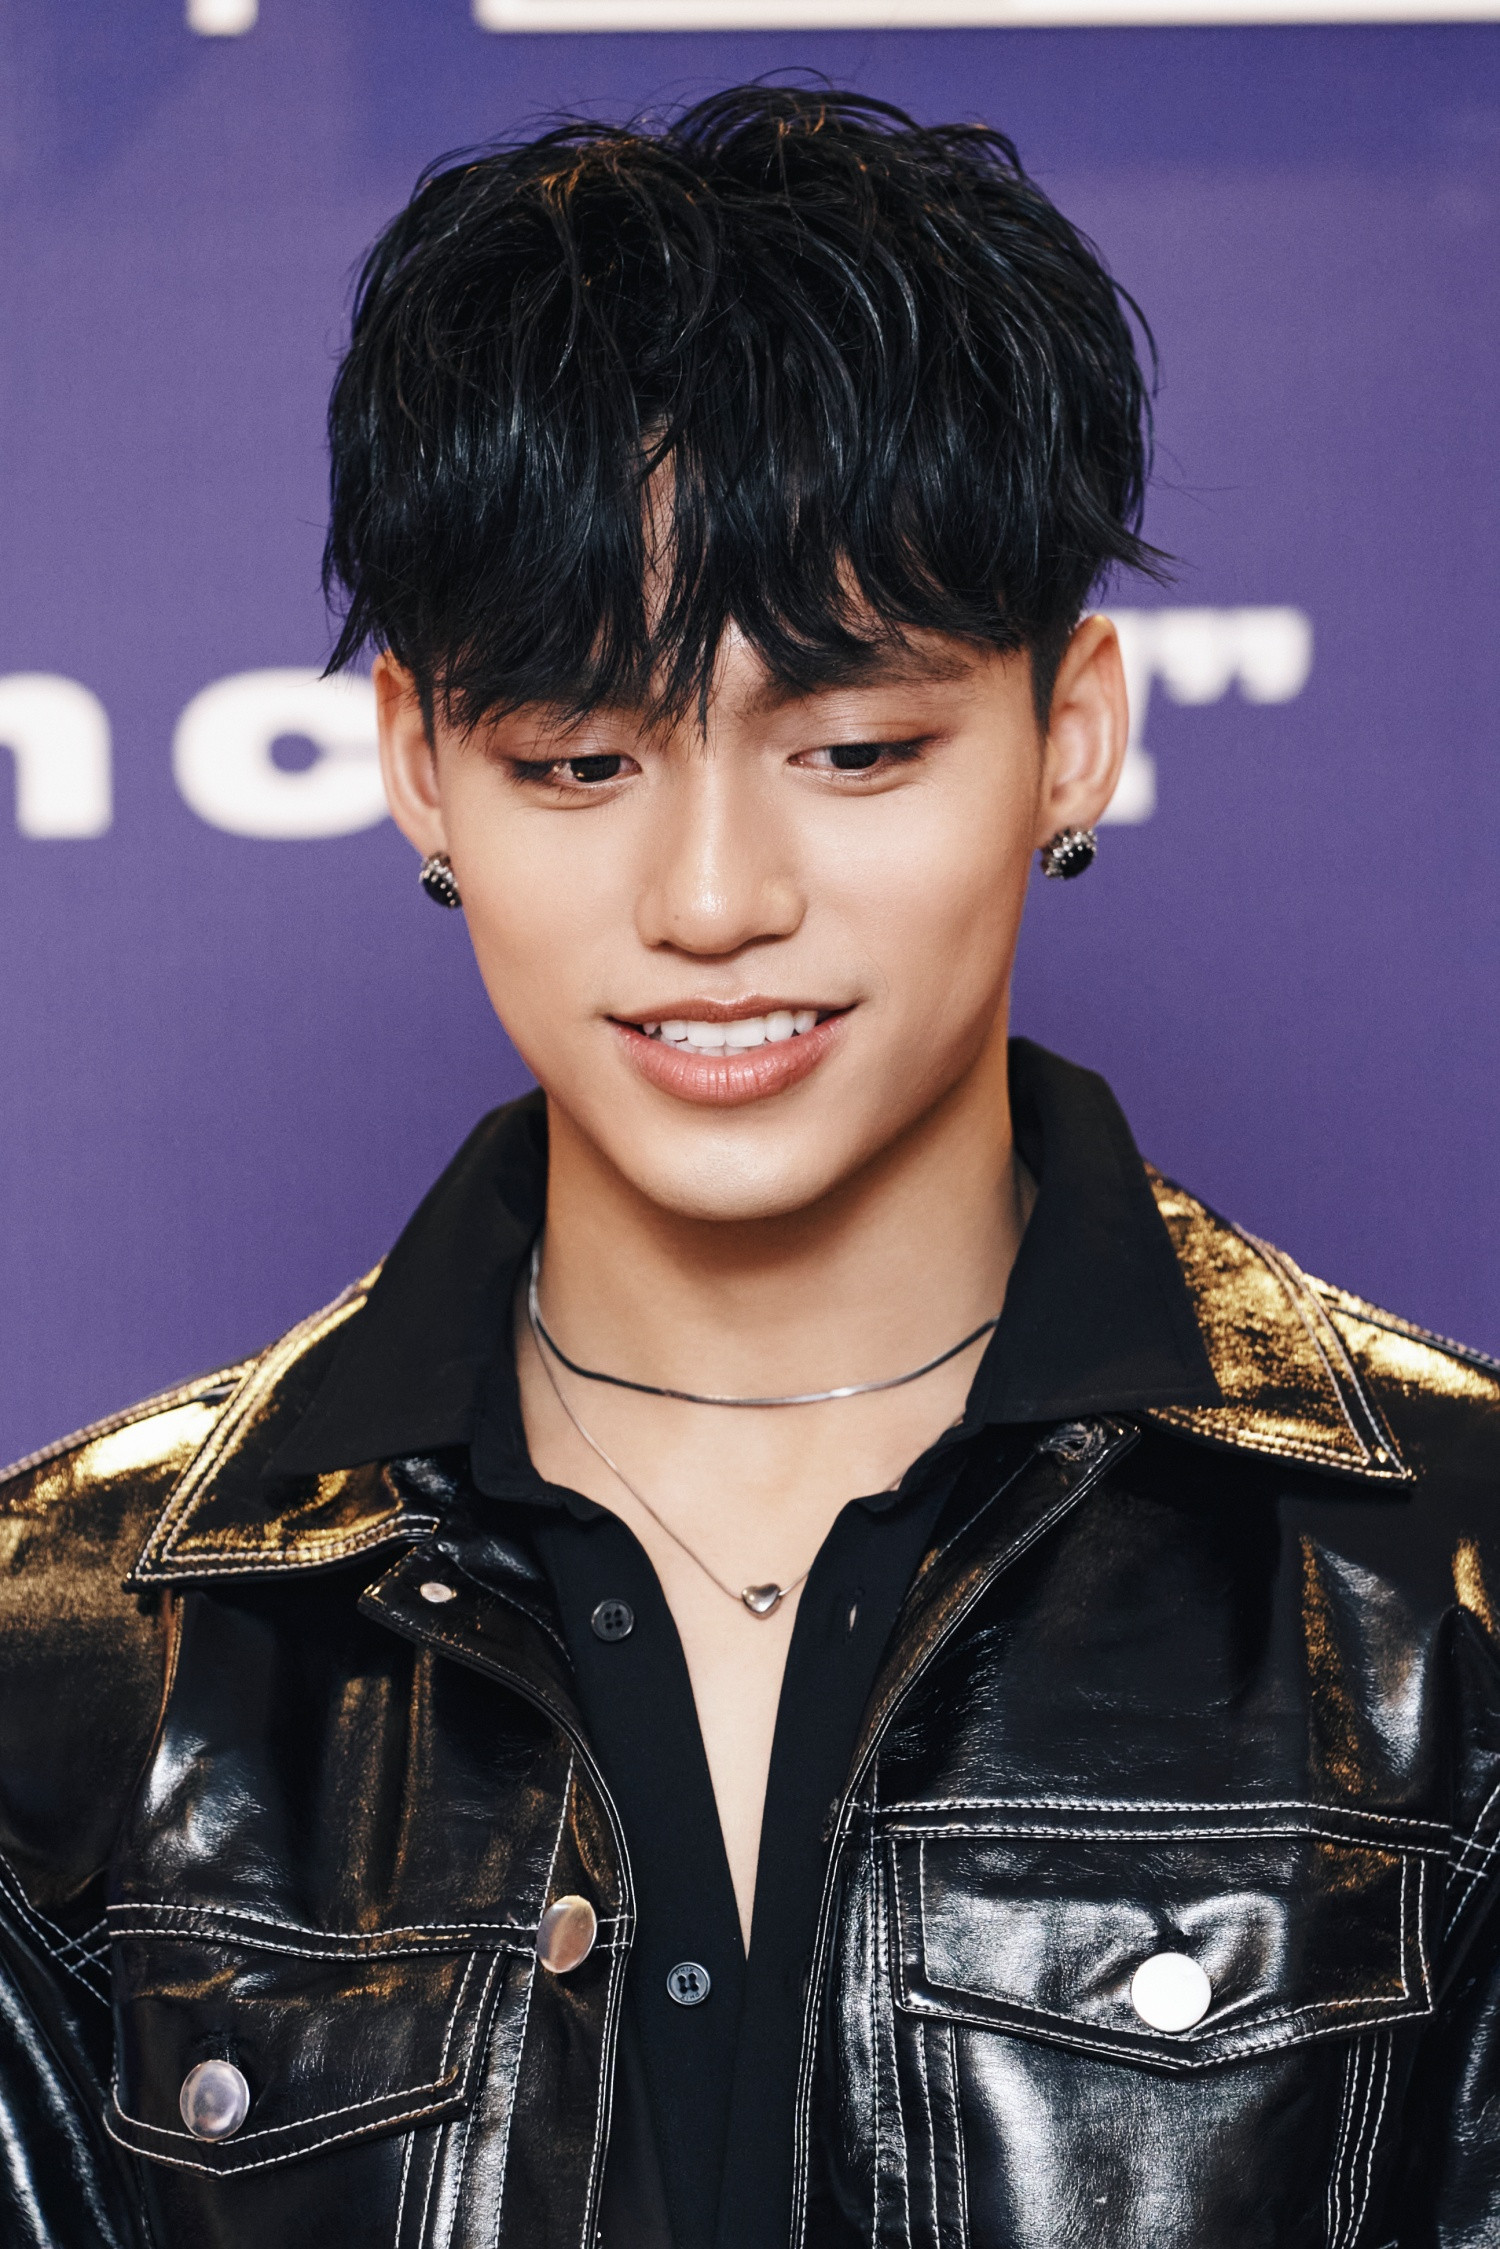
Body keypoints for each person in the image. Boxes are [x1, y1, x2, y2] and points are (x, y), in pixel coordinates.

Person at [1, 83, 1496, 2249]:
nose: (713, 898)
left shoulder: (1451, 1611)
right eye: (577, 760)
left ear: (1072, 733)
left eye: (857, 748)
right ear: (420, 765)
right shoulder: (76, 1664)